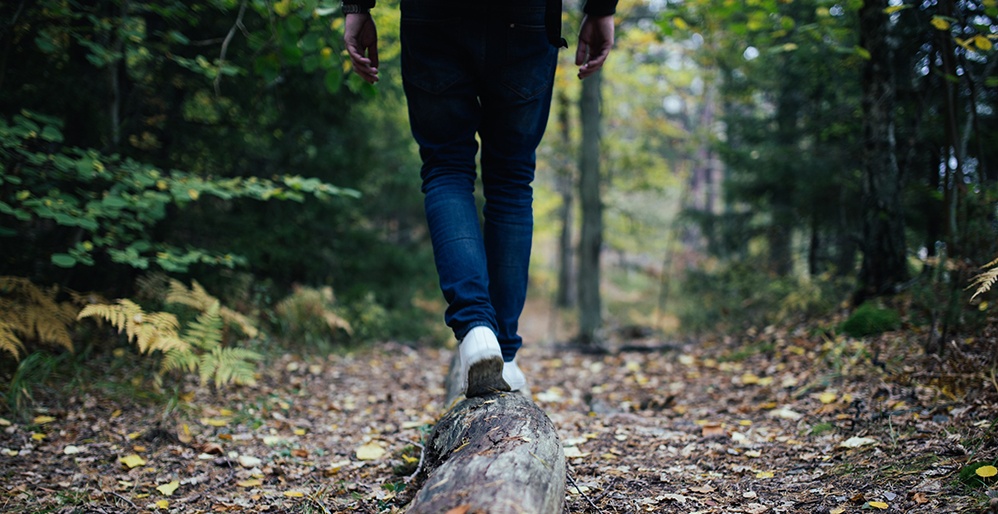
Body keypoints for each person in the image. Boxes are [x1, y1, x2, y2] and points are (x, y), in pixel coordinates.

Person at [344, 0, 617, 397]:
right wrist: (601, 9)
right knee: (511, 181)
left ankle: (476, 332)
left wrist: (356, 7)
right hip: (524, 17)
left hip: (431, 15)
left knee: (446, 168)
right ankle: (503, 355)